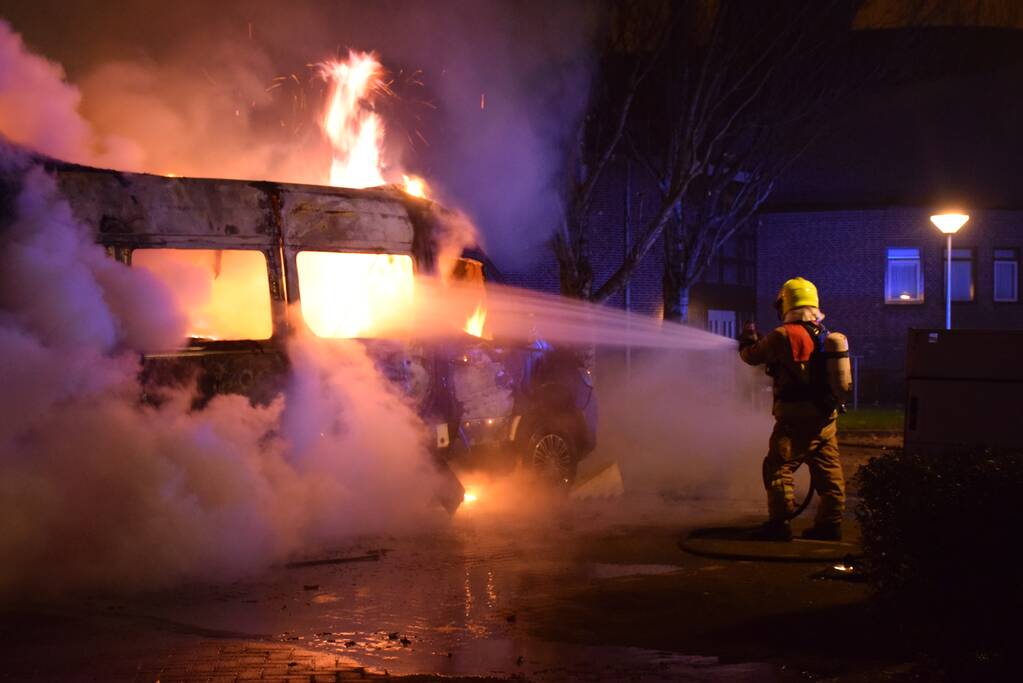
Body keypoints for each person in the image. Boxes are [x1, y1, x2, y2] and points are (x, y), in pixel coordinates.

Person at [738, 277, 846, 541]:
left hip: (796, 417)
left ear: (786, 303)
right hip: (826, 417)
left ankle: (779, 524)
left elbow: (752, 356)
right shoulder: (824, 333)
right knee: (828, 469)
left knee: (778, 467)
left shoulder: (782, 334)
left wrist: (746, 341)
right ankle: (830, 525)